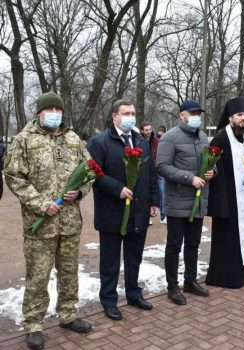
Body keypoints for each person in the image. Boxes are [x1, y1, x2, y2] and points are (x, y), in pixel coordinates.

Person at [4, 92, 92, 349]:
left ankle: (68, 314)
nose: (55, 112)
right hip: (39, 223)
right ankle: (33, 325)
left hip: (69, 222)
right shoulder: (24, 140)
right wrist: (41, 205)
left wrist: (81, 193)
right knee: (38, 277)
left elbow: (89, 171)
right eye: (50, 108)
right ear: (39, 113)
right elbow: (14, 177)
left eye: (59, 108)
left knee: (68, 272)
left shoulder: (74, 139)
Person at [87, 100, 160, 321]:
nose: (131, 117)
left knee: (134, 257)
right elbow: (94, 174)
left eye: (133, 113)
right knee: (109, 261)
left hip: (138, 211)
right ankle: (109, 300)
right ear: (114, 116)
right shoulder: (99, 142)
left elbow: (151, 173)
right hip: (112, 211)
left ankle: (133, 294)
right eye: (126, 113)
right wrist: (117, 188)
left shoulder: (141, 141)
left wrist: (154, 200)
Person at [156, 99, 213, 305]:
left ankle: (190, 280)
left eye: (199, 113)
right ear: (182, 115)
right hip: (178, 200)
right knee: (174, 245)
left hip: (198, 202)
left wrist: (211, 171)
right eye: (192, 113)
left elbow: (211, 162)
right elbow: (162, 166)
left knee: (193, 244)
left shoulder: (203, 137)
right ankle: (172, 286)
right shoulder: (170, 137)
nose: (196, 116)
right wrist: (189, 178)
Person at [206, 97, 244, 288]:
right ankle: (228, 276)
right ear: (230, 117)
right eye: (239, 115)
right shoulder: (221, 138)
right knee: (229, 238)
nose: (243, 118)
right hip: (229, 198)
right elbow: (213, 167)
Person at [140, 121, 164, 224]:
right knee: (146, 193)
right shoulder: (138, 141)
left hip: (158, 170)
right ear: (142, 130)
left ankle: (164, 216)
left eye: (150, 129)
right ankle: (147, 216)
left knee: (162, 192)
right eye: (146, 130)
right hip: (145, 171)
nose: (149, 132)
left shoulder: (157, 141)